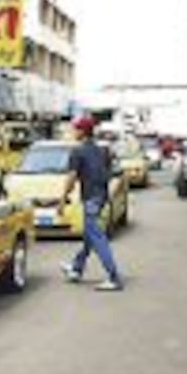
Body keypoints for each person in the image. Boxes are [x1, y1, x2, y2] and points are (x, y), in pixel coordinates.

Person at [59, 115, 124, 291]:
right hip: (102, 197)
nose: (73, 132)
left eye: (75, 129)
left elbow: (72, 178)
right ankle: (76, 268)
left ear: (81, 131)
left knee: (97, 238)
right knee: (90, 236)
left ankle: (114, 277)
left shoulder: (77, 152)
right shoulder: (102, 150)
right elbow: (111, 172)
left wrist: (62, 200)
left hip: (90, 199)